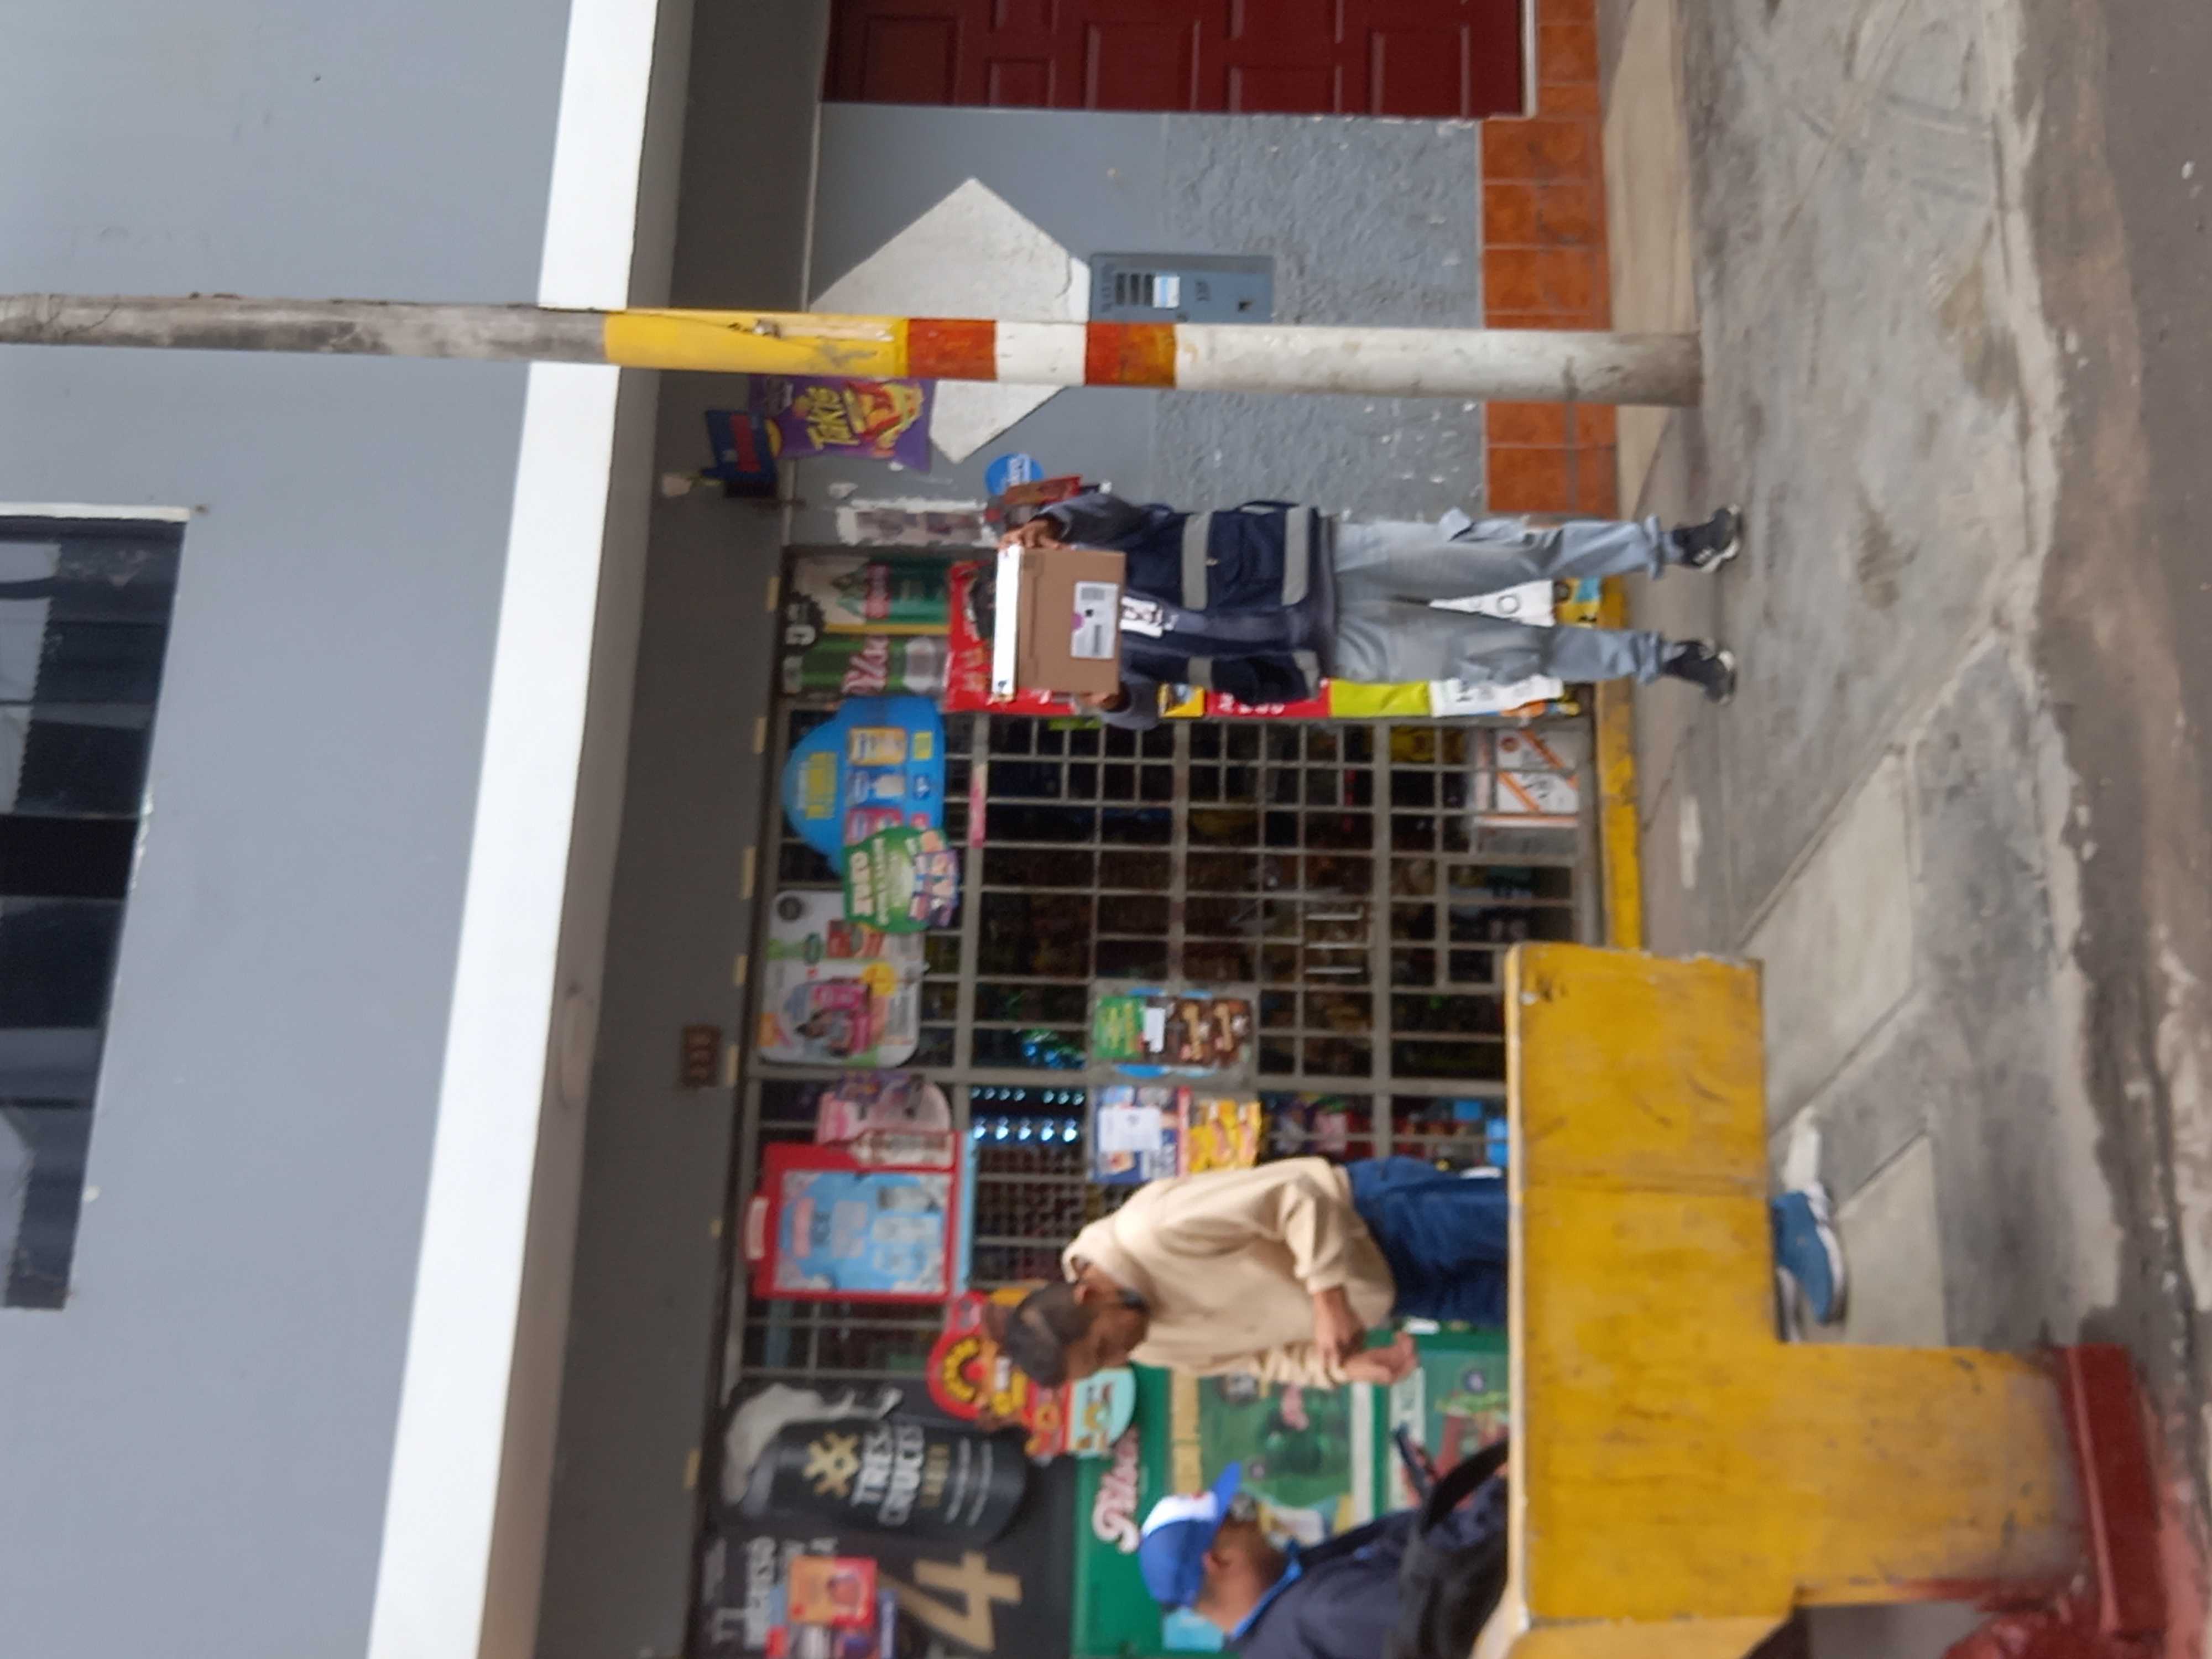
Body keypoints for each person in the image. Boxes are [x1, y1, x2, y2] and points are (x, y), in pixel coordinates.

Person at [999, 1156, 1846, 1390]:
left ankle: (1785, 1222)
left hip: (1384, 1217)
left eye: (1104, 1347)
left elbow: (1295, 1195)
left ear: (1090, 1294)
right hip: (1400, 1292)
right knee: (1572, 1306)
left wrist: (1325, 1295)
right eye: (1103, 1366)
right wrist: (1344, 1365)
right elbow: (1262, 1357)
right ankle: (1739, 1279)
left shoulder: (1153, 1229)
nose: (1122, 1358)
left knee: (1585, 1228)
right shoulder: (1148, 1345)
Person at [997, 492, 1744, 723]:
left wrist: (1056, 522)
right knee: (1516, 654)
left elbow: (1116, 510)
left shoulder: (1093, 543)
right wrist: (1108, 698)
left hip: (1332, 557)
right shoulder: (1092, 664)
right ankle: (1668, 659)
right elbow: (1142, 714)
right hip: (1332, 650)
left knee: (1518, 556)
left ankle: (1674, 544)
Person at [1137, 1460, 1502, 1659]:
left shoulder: (1285, 1612)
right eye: (1235, 1518)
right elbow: (1465, 1597)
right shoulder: (1320, 1614)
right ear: (1219, 1561)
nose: (1253, 1521)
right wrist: (1502, 1489)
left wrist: (1432, 1514)